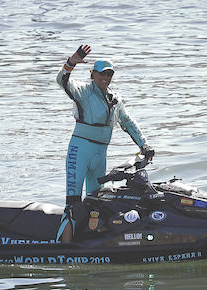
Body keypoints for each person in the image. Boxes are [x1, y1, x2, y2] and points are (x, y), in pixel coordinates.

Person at [56, 44, 150, 242]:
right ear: (92, 74)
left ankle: (91, 244)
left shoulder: (115, 100)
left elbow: (128, 122)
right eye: (101, 74)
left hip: (100, 154)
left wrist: (144, 145)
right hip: (80, 151)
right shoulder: (82, 91)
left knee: (96, 204)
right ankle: (64, 253)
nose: (105, 79)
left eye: (109, 75)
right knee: (73, 204)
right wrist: (71, 63)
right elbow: (62, 81)